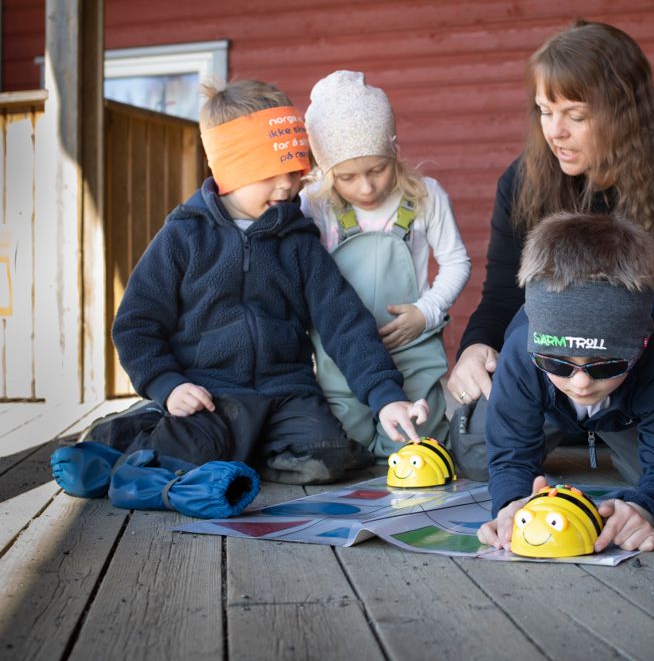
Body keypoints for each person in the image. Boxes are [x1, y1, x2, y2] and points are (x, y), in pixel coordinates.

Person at [77, 80, 428, 486]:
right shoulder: (184, 236)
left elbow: (344, 321)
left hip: (286, 393)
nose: (287, 185)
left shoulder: (299, 242)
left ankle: (244, 449)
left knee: (328, 460)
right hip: (209, 393)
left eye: (295, 171)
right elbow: (135, 324)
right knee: (187, 458)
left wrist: (386, 396)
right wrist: (167, 385)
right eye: (268, 173)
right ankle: (131, 432)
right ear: (229, 171)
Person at [448, 20, 654, 410]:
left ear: (624, 112)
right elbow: (506, 291)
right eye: (545, 111)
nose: (554, 132)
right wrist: (477, 345)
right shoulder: (525, 179)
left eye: (575, 116)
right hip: (573, 315)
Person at [471, 212, 654, 553]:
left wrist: (644, 509)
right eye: (555, 362)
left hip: (628, 414)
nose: (580, 384)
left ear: (641, 348)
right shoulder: (520, 351)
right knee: (475, 457)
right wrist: (512, 503)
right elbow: (510, 458)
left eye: (606, 366)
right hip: (549, 409)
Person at [301, 70, 470, 457]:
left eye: (377, 169)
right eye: (346, 177)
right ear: (327, 172)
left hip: (411, 344)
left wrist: (426, 313)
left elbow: (456, 261)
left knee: (418, 443)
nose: (366, 187)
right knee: (349, 445)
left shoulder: (426, 197)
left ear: (394, 150)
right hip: (340, 353)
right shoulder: (314, 204)